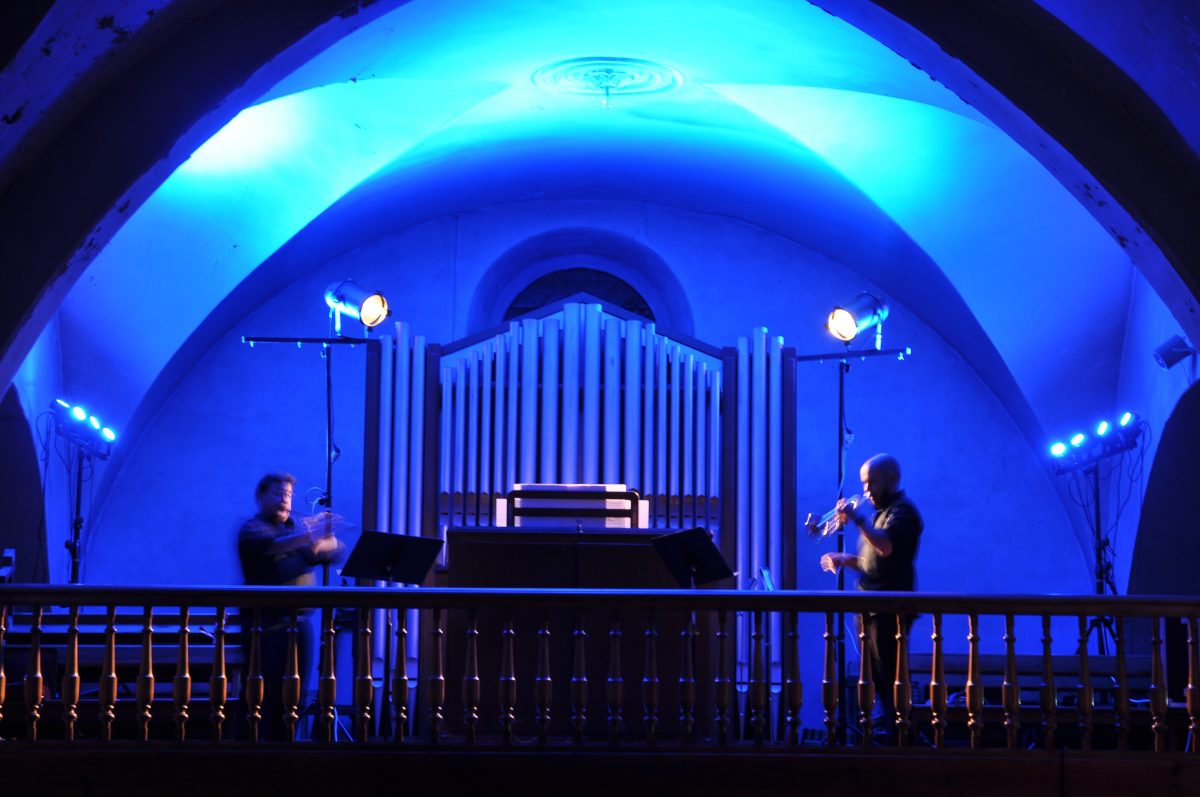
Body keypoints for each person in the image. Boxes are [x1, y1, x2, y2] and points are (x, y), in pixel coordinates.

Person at [818, 453, 923, 743]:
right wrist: (843, 558)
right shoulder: (881, 514)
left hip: (890, 610)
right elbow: (872, 561)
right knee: (879, 679)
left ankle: (901, 739)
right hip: (873, 608)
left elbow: (887, 548)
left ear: (891, 479)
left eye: (871, 483)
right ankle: (892, 732)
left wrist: (857, 518)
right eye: (864, 484)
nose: (866, 491)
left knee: (889, 678)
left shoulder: (903, 512)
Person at [237, 472, 344, 740]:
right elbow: (272, 547)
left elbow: (332, 551)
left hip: (298, 627)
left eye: (288, 494)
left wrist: (325, 534)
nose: (285, 499)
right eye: (278, 493)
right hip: (265, 627)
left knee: (292, 698)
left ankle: (286, 753)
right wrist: (309, 535)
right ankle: (254, 754)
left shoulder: (292, 530)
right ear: (261, 497)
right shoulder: (253, 528)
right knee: (263, 698)